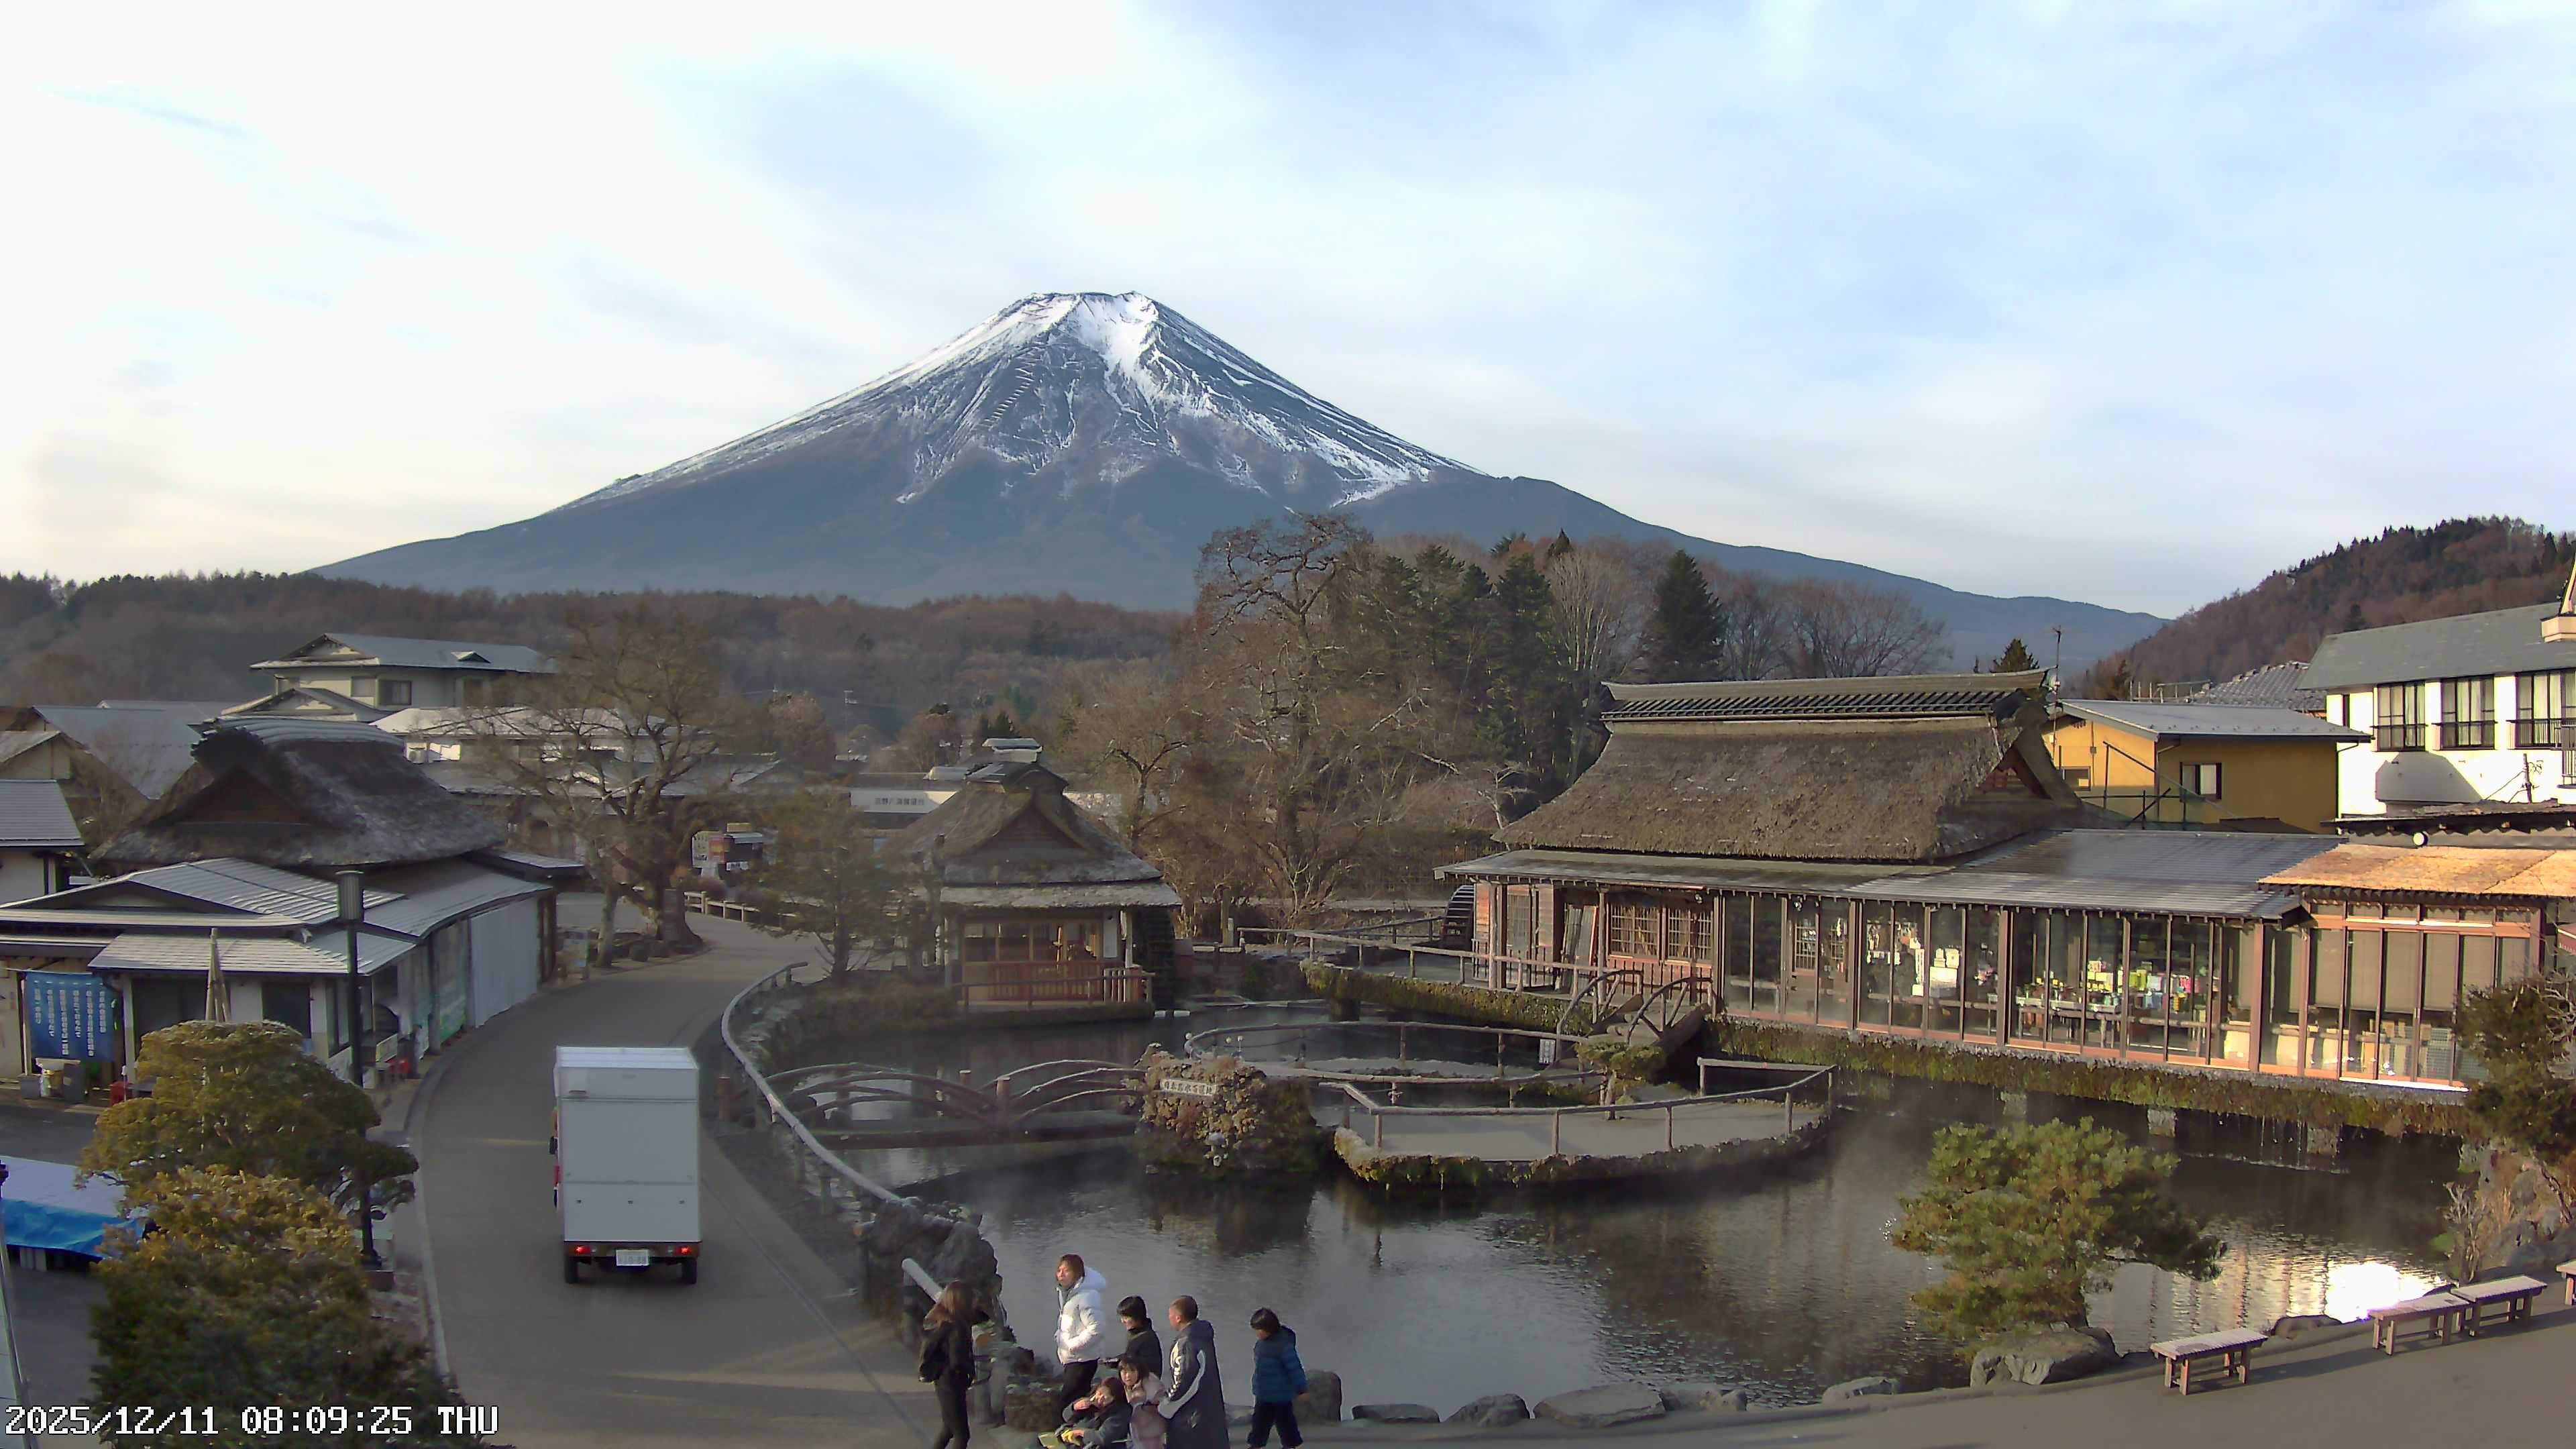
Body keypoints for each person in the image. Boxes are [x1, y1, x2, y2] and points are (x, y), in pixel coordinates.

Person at [918, 1281, 981, 1449]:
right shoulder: (958, 1327)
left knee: (949, 1428)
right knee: (962, 1435)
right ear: (963, 1301)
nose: (976, 1302)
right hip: (952, 1383)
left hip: (942, 1381)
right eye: (972, 1299)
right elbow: (957, 1360)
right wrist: (972, 1374)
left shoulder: (942, 1322)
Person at [1159, 1296, 1226, 1449]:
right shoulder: (1203, 1335)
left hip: (1191, 1415)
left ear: (1178, 1317)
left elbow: (1182, 1380)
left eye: (1170, 1315)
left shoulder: (1186, 1343)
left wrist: (1164, 1404)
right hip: (1209, 1405)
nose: (1168, 1318)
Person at [1054, 1254, 1112, 1419]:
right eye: (1059, 1270)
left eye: (1066, 1271)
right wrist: (1059, 1337)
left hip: (1082, 1360)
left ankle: (1064, 1435)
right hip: (1073, 1359)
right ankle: (1075, 1434)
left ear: (1078, 1274)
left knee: (1066, 1403)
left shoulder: (1088, 1296)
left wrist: (1072, 1345)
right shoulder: (1068, 1293)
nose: (1061, 1274)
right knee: (1076, 1403)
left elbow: (1097, 1329)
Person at [1246, 1307, 1306, 1449]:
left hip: (1281, 1394)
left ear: (1268, 1329)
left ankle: (1293, 1445)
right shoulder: (1261, 1344)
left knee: (1286, 1423)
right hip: (1264, 1392)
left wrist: (1301, 1389)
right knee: (1260, 1422)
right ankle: (1256, 1444)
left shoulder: (1284, 1346)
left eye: (1258, 1330)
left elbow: (1294, 1368)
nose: (1257, 1333)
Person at [1045, 1374, 1131, 1449]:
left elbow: (1103, 1437)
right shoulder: (1090, 1401)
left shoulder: (1119, 1412)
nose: (1100, 1399)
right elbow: (1066, 1417)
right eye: (1099, 1393)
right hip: (1071, 1441)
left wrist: (1081, 1433)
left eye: (1106, 1398)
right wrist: (1075, 1407)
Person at [1114, 1294, 1161, 1374]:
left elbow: (1145, 1367)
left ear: (1137, 1317)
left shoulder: (1147, 1339)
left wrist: (1120, 1363)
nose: (1123, 1321)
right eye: (1122, 1318)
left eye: (1126, 1318)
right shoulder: (1135, 1333)